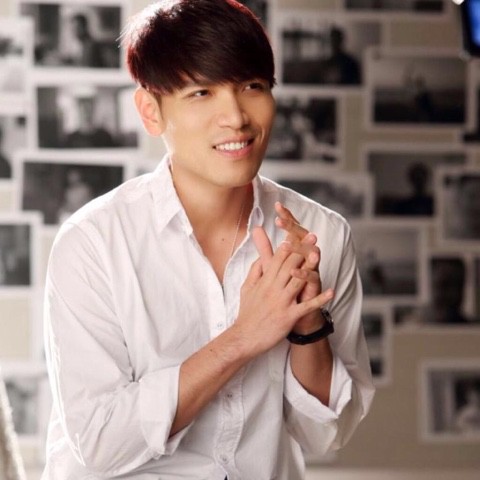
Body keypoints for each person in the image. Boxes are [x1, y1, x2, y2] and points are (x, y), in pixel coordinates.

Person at [42, 1, 375, 478]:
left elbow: (326, 433)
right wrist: (242, 338)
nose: (236, 117)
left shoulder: (320, 234)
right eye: (202, 92)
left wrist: (306, 322)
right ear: (151, 111)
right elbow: (98, 442)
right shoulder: (92, 243)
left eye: (252, 86)